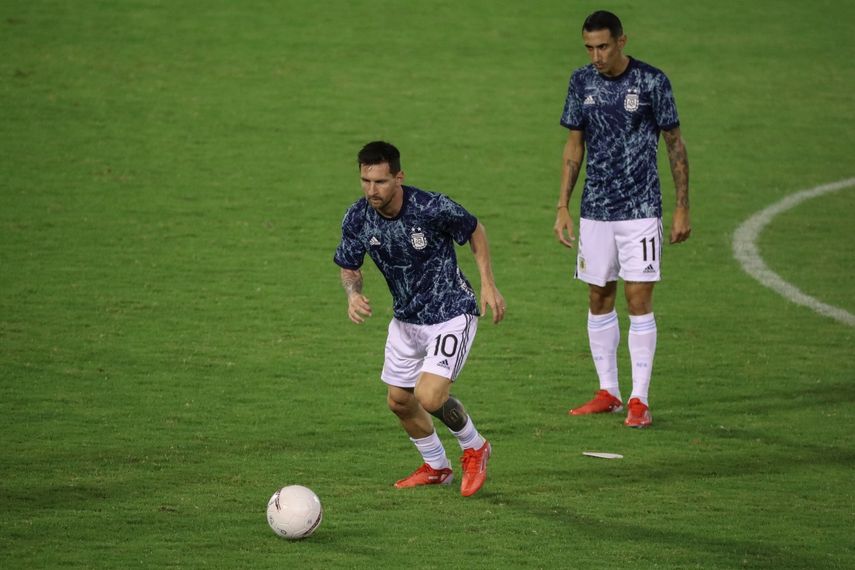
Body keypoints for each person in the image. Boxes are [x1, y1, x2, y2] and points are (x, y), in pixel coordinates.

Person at [335, 141, 505, 496]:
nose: (371, 190)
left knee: (429, 396)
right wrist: (353, 295)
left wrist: (488, 284)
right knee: (399, 401)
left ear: (399, 177)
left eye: (380, 181)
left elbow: (475, 230)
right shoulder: (357, 217)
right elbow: (349, 265)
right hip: (406, 321)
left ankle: (475, 447)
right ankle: (436, 467)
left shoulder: (430, 207)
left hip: (451, 313)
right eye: (365, 181)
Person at [553, 11, 691, 428]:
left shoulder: (652, 82)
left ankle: (639, 399)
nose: (596, 55)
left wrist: (683, 205)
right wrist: (562, 204)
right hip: (595, 211)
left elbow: (675, 145)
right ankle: (608, 391)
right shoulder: (581, 82)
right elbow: (574, 145)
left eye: (603, 46)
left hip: (640, 211)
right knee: (598, 296)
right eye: (589, 47)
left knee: (638, 300)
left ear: (621, 41)